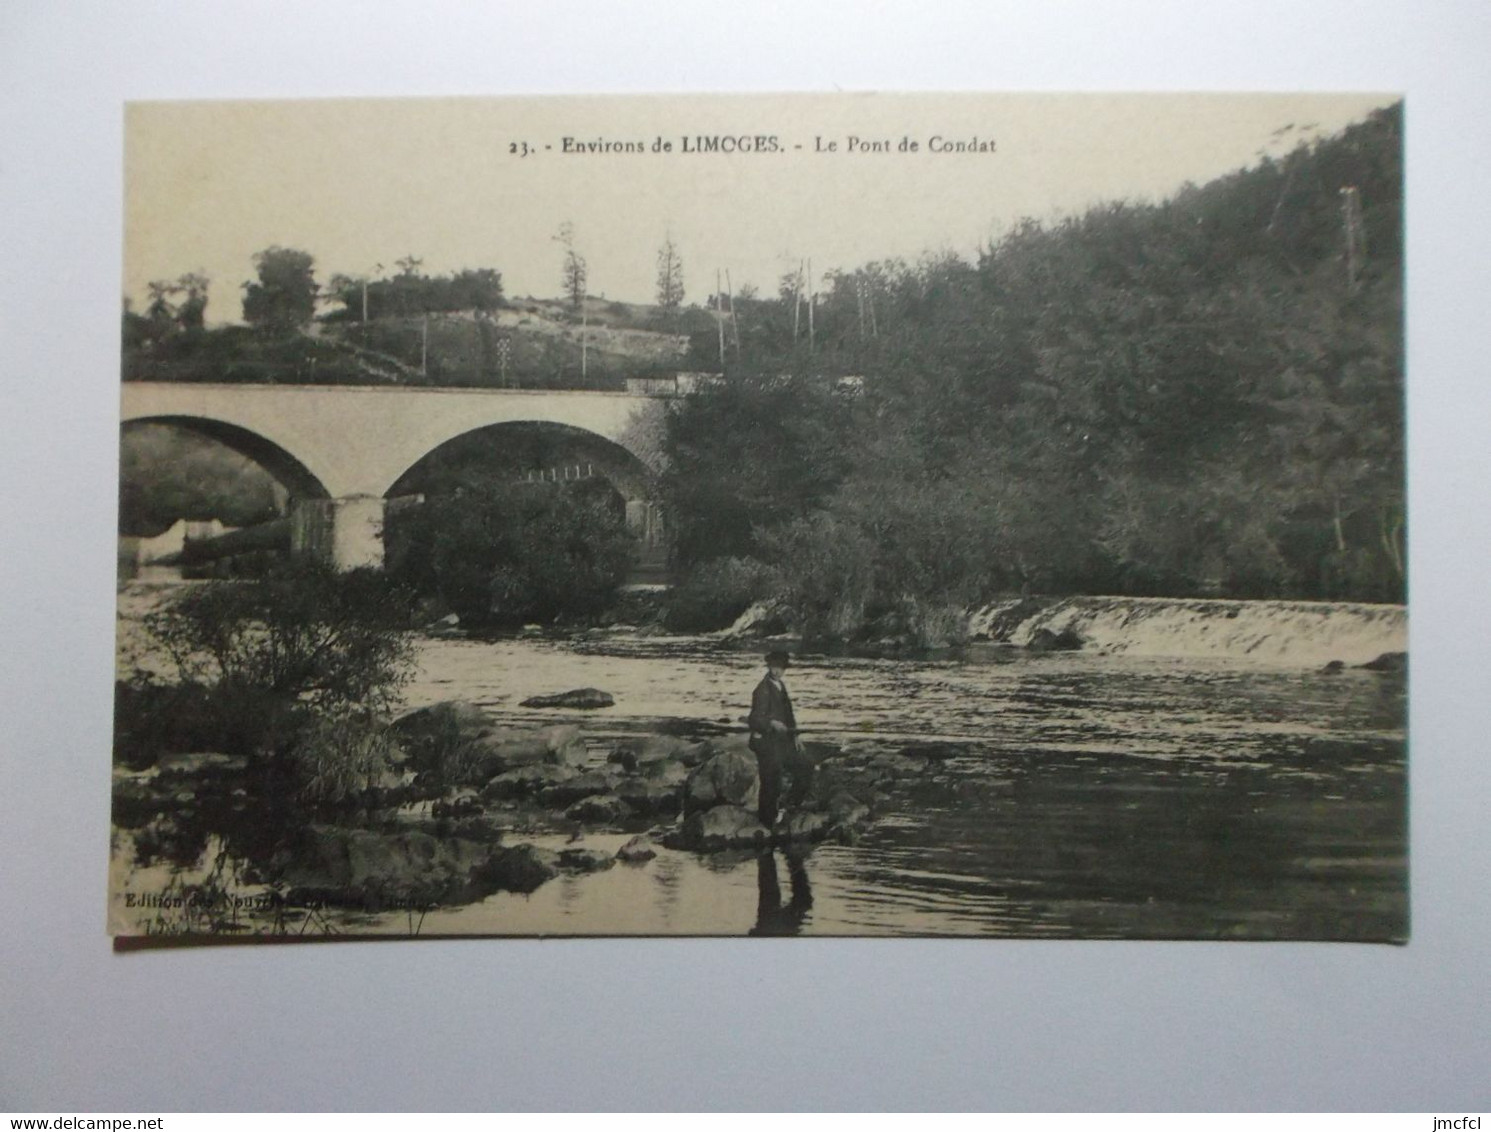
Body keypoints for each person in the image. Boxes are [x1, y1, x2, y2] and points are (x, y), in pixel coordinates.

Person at [747, 648, 814, 827]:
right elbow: (754, 719)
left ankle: (788, 805)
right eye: (773, 667)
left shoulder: (781, 686)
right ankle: (767, 821)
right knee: (771, 779)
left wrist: (795, 736)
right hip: (765, 742)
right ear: (768, 666)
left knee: (806, 766)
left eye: (780, 668)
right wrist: (772, 724)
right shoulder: (762, 690)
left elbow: (789, 715)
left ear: (785, 669)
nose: (776, 671)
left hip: (782, 740)